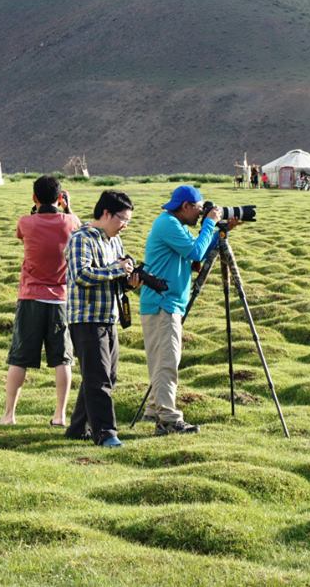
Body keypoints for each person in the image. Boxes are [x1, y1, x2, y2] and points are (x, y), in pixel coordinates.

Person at [140, 185, 229, 435]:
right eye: (199, 210)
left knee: (163, 361)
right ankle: (168, 418)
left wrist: (220, 230)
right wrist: (210, 223)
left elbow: (194, 250)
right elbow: (195, 251)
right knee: (167, 362)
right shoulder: (168, 224)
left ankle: (154, 409)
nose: (200, 215)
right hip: (163, 303)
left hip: (166, 302)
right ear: (186, 206)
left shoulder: (173, 225)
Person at [0, 176, 80, 427]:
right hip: (60, 300)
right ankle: (60, 414)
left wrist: (38, 210)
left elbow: (21, 235)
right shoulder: (70, 222)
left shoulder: (26, 222)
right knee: (62, 358)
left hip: (30, 296)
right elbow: (78, 225)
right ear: (59, 198)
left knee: (19, 357)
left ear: (34, 198)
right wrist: (67, 208)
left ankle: (9, 414)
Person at [64, 190, 140, 447]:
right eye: (122, 219)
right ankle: (106, 433)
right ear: (106, 213)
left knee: (107, 375)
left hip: (109, 316)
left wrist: (128, 280)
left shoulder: (114, 241)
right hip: (85, 318)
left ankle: (78, 428)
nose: (125, 226)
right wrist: (116, 269)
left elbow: (114, 278)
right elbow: (81, 275)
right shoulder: (81, 239)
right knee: (99, 379)